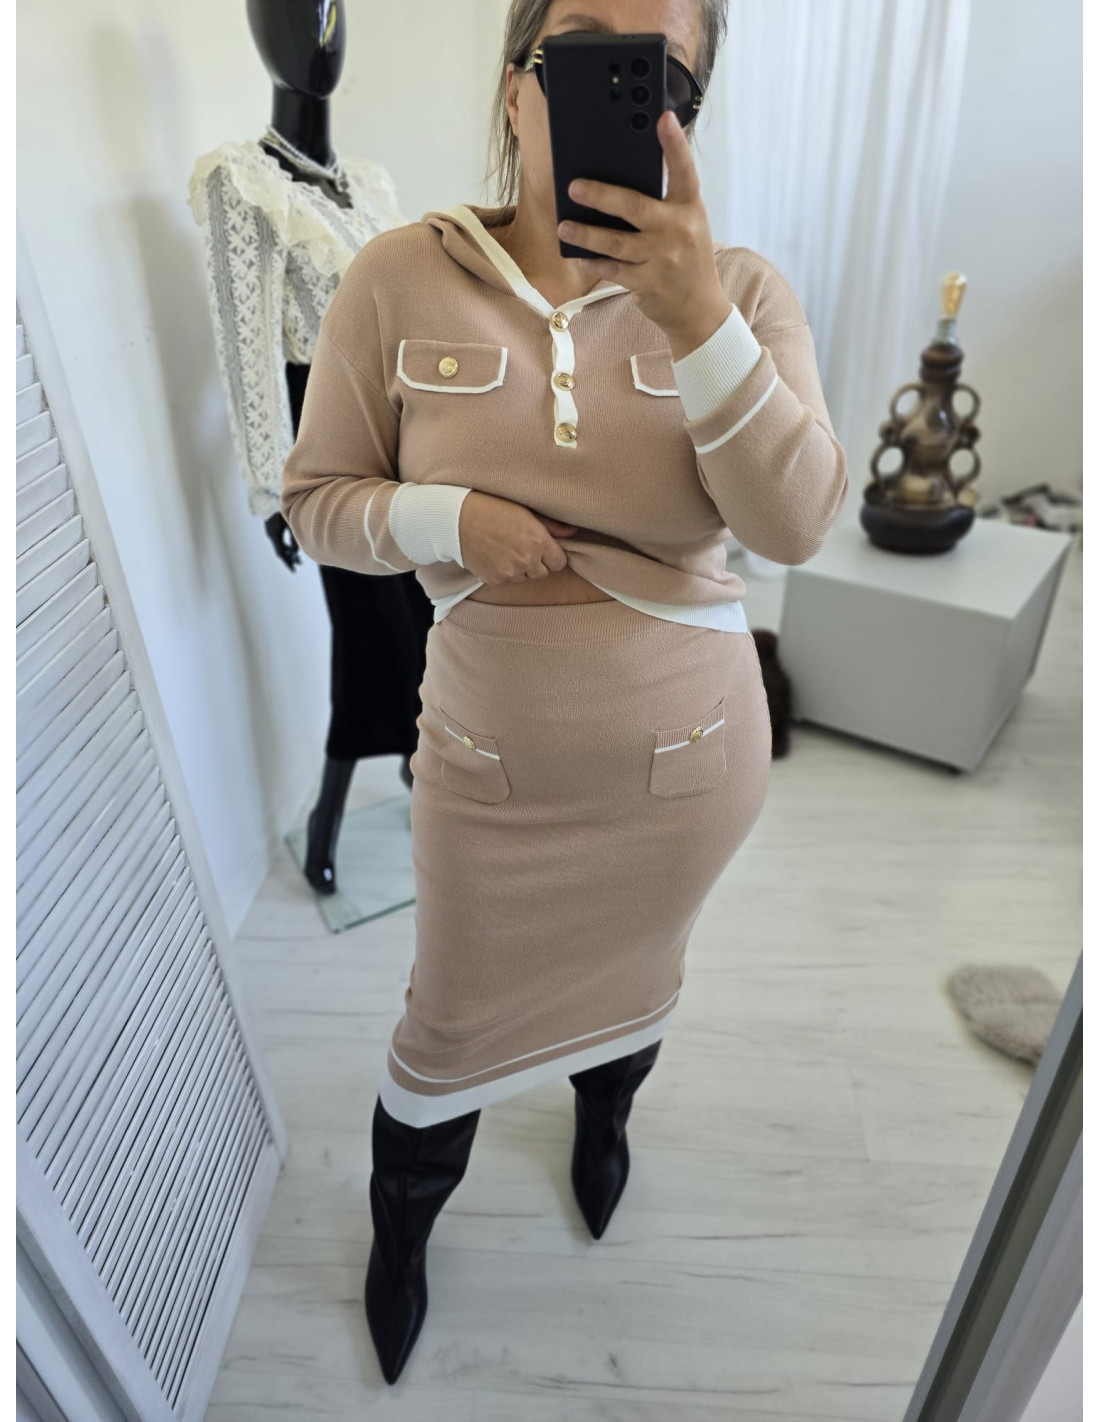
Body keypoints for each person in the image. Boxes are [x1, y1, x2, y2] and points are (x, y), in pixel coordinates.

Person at [280, 0, 848, 1385]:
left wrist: (697, 317)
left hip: (689, 767)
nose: (619, 93)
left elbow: (795, 523)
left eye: (660, 78)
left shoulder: (746, 293)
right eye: (584, 52)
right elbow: (318, 500)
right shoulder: (399, 277)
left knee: (636, 992)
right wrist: (450, 521)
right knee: (445, 1034)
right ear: (517, 83)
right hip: (487, 777)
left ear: (685, 117)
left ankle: (607, 1123)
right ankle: (403, 1236)